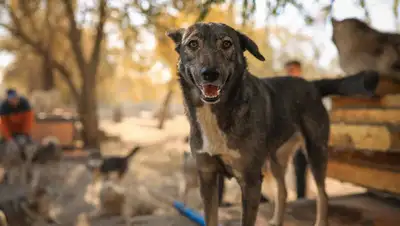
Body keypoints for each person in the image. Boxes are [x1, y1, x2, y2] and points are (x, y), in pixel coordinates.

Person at [284, 60, 308, 199]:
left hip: (304, 136)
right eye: (288, 70)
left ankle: (302, 198)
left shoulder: (306, 90)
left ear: (299, 71)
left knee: (302, 168)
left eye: (292, 70)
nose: (289, 73)